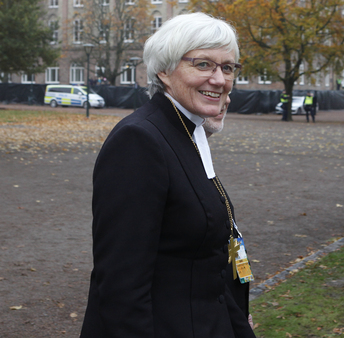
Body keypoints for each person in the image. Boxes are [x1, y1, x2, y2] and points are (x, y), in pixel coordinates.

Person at [80, 12, 256, 337]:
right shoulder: (139, 141)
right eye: (203, 64)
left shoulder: (189, 131)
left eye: (227, 67)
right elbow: (121, 287)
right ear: (163, 69)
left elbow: (208, 258)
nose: (219, 79)